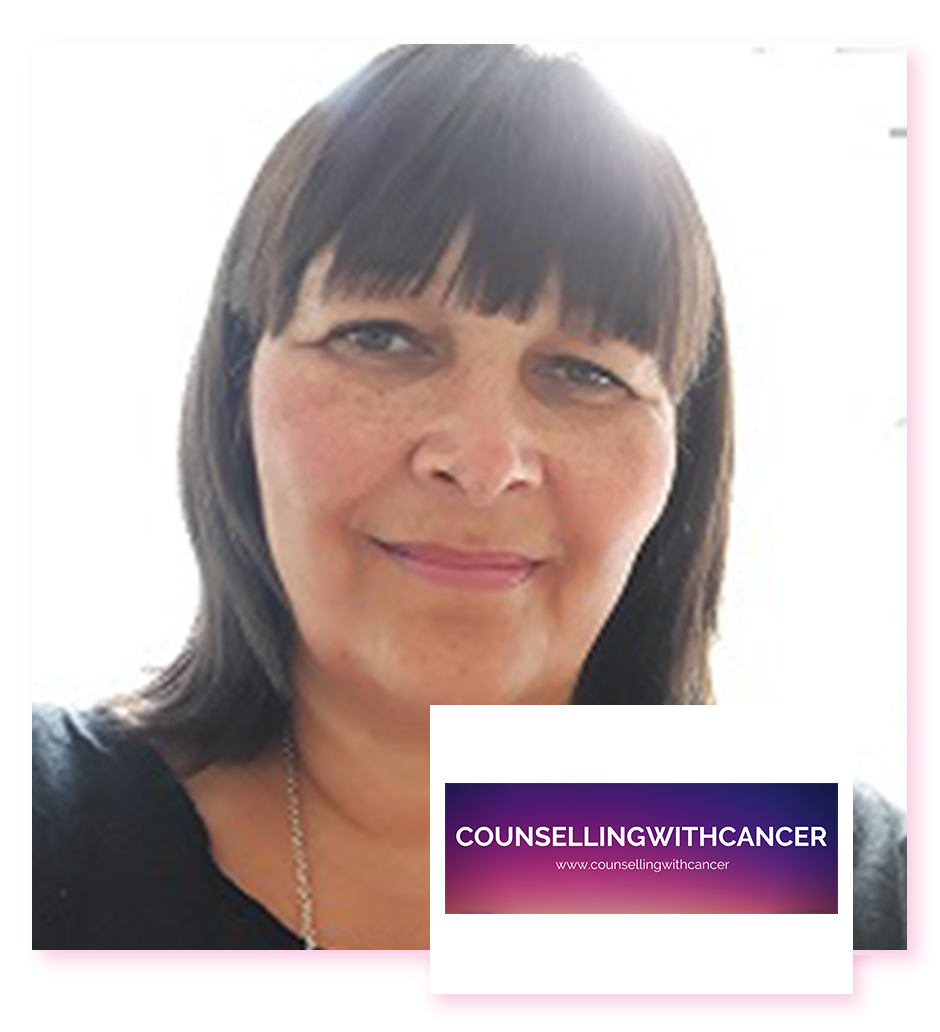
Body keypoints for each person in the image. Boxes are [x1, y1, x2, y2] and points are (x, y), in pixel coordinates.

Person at [32, 43, 904, 950]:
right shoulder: (41, 830)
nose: (484, 463)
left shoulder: (839, 893)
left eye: (584, 372)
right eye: (380, 338)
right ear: (237, 391)